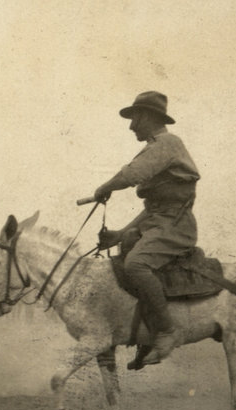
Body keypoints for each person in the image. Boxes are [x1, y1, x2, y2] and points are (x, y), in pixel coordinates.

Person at [94, 91, 200, 366]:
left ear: (149, 117)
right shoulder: (156, 147)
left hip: (176, 226)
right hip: (158, 223)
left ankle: (167, 331)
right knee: (126, 253)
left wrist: (106, 187)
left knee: (136, 265)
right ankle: (148, 336)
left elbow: (132, 174)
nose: (131, 126)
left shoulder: (168, 143)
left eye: (135, 118)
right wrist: (120, 234)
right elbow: (151, 210)